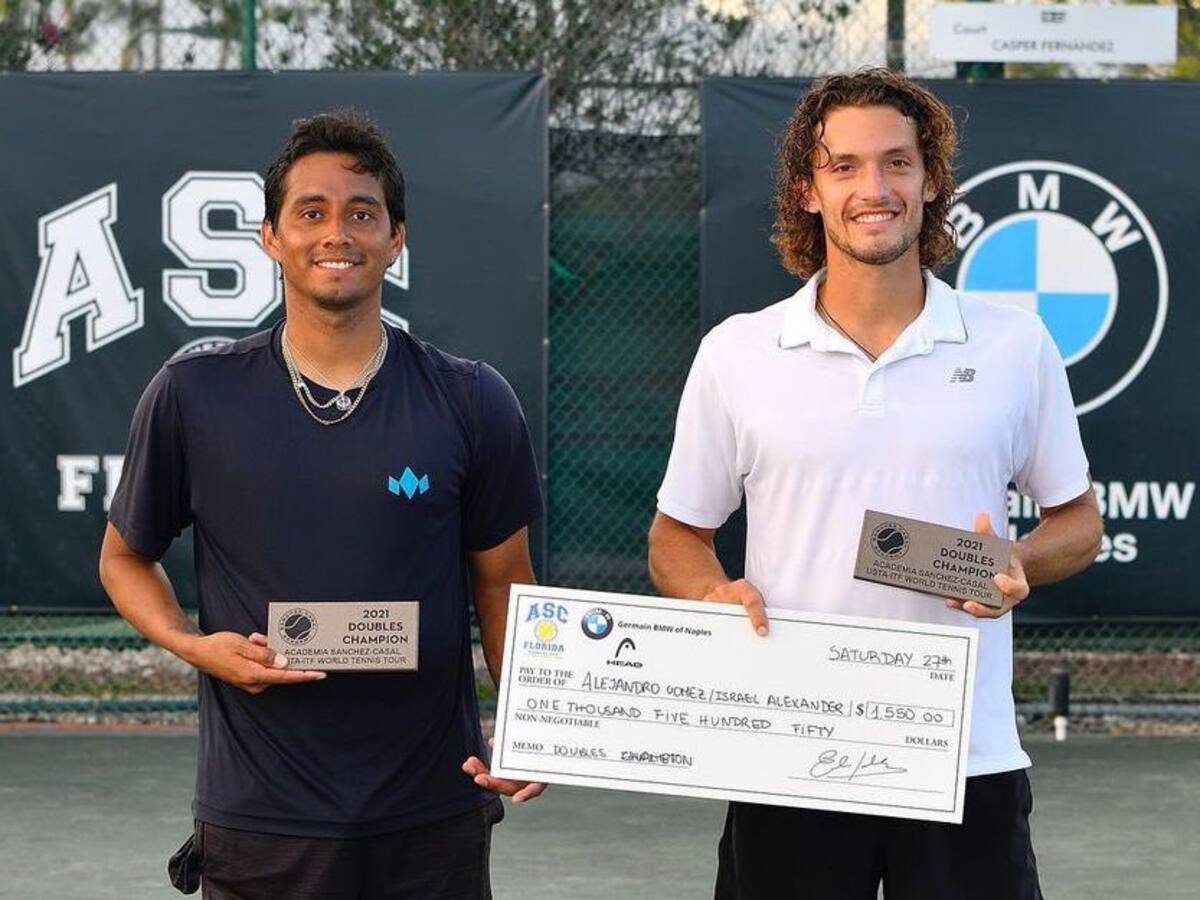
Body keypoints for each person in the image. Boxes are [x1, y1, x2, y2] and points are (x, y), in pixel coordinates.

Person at [648, 68, 1104, 900]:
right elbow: (677, 536)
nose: (874, 188)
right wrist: (712, 594)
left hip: (964, 756)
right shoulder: (738, 352)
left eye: (897, 162)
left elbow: (1079, 522)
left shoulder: (1014, 344)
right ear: (808, 191)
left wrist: (1018, 563)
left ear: (930, 181)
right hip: (789, 749)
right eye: (844, 166)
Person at [99, 109, 543, 900]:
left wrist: (528, 722)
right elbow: (123, 558)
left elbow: (504, 581)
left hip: (430, 813)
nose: (337, 233)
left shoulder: (473, 399)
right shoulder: (193, 393)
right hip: (259, 819)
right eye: (311, 212)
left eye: (361, 214)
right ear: (271, 237)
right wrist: (192, 644)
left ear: (396, 239)